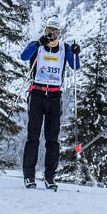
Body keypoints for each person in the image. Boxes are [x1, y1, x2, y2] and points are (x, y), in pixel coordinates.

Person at [21, 16, 80, 190]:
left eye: (55, 31)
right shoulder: (37, 45)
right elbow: (24, 56)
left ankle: (50, 177)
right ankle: (29, 176)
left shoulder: (64, 48)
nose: (51, 33)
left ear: (59, 33)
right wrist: (37, 44)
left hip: (54, 96)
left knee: (52, 139)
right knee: (33, 137)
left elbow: (75, 66)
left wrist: (76, 52)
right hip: (37, 94)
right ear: (45, 31)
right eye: (49, 30)